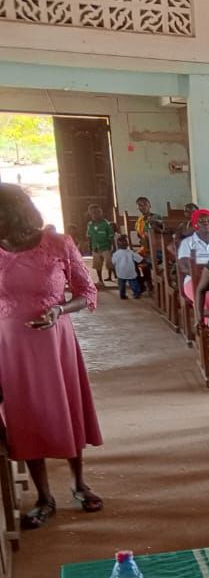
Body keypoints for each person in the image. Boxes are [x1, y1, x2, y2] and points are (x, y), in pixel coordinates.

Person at [0, 184, 103, 528]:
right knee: (24, 414)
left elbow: (86, 292)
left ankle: (79, 483)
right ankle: (44, 497)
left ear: (14, 213)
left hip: (54, 341)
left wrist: (59, 310)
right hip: (11, 348)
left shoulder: (58, 244)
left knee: (66, 406)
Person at [178, 209, 209, 310]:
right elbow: (183, 266)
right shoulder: (187, 242)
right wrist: (201, 275)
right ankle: (207, 319)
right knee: (206, 300)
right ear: (195, 224)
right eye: (201, 221)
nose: (206, 223)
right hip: (194, 281)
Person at [85, 203, 116, 288]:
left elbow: (111, 236)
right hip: (95, 248)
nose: (95, 215)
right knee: (97, 265)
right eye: (93, 213)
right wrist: (90, 246)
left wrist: (113, 247)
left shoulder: (106, 224)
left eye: (97, 212)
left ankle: (112, 276)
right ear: (90, 214)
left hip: (106, 247)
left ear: (101, 213)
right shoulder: (90, 225)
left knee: (109, 263)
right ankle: (100, 280)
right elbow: (89, 236)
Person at [111, 235, 144, 300]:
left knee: (122, 285)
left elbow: (113, 262)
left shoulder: (116, 253)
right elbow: (140, 259)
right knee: (134, 283)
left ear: (118, 245)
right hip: (130, 271)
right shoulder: (131, 252)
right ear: (127, 245)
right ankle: (137, 294)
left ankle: (122, 295)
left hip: (121, 272)